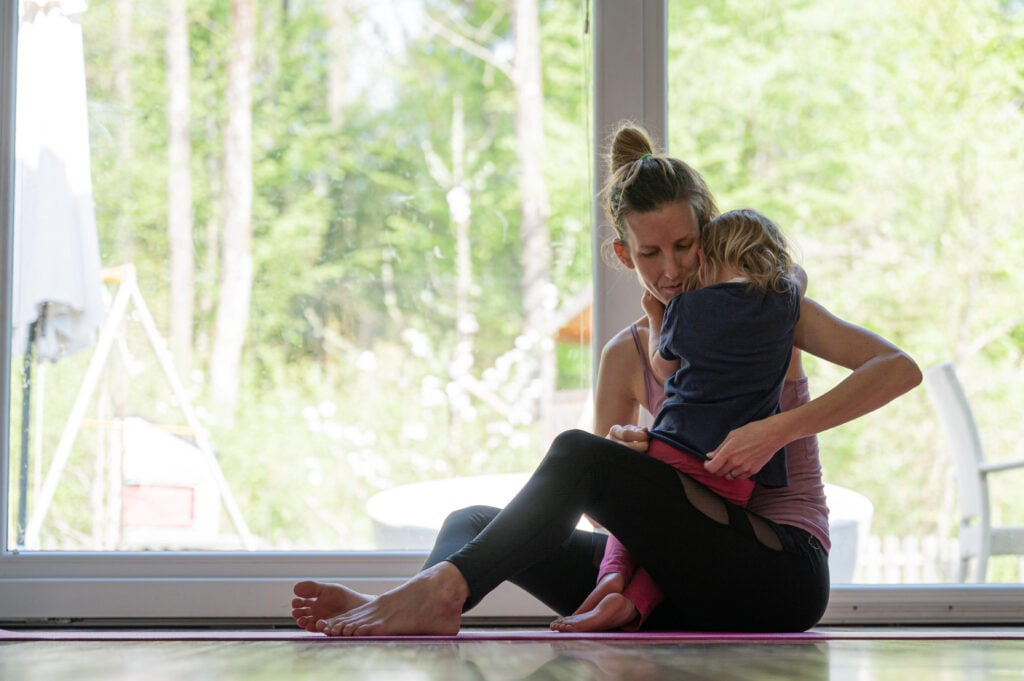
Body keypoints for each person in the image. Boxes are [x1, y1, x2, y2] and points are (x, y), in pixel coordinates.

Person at [290, 123, 922, 636]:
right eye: (650, 254)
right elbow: (608, 521)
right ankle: (424, 602)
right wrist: (634, 464)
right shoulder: (625, 355)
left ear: (709, 235)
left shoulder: (765, 310)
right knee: (471, 520)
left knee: (575, 452)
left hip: (776, 574)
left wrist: (774, 431)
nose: (671, 271)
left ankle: (436, 594)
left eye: (684, 246)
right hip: (670, 584)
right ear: (624, 254)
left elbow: (898, 368)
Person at [575, 207, 803, 632]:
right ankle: (631, 606)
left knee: (637, 522)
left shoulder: (688, 307)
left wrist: (658, 317)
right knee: (682, 544)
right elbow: (797, 277)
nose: (675, 269)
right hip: (736, 472)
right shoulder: (785, 304)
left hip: (674, 446)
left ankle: (611, 578)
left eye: (686, 249)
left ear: (708, 256)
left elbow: (663, 369)